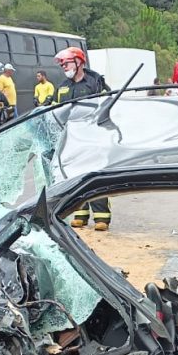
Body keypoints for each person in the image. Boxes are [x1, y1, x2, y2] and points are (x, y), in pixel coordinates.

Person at [54, 47, 112, 230]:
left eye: (67, 63)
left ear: (79, 62)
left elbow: (108, 106)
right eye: (62, 64)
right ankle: (80, 213)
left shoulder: (95, 82)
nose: (64, 67)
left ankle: (102, 217)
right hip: (71, 139)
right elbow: (55, 111)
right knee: (75, 176)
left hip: (92, 137)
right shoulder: (63, 87)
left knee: (94, 176)